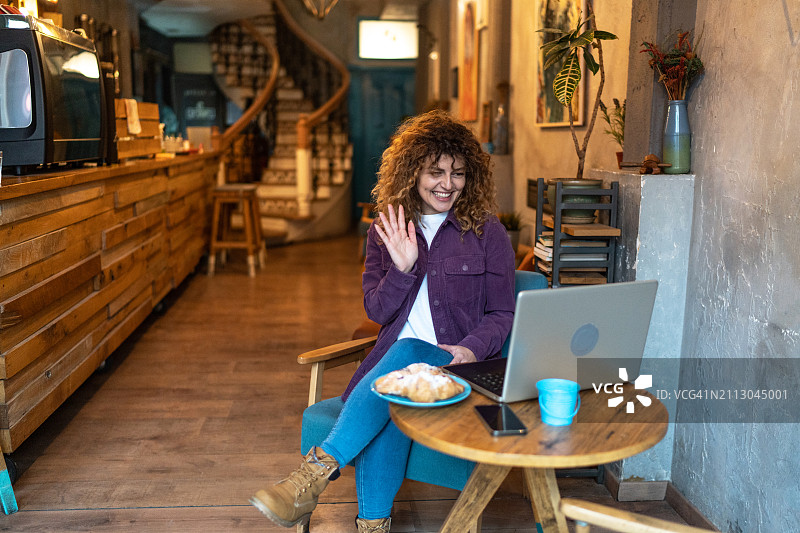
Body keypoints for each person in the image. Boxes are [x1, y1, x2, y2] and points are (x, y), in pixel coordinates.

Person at [250, 110, 516, 532]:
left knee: (406, 355)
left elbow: (503, 313)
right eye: (435, 172)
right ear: (412, 173)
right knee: (395, 390)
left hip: (456, 370)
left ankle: (313, 475)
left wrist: (469, 349)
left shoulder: (487, 233)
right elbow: (376, 311)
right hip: (393, 373)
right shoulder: (384, 231)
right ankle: (371, 526)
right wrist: (403, 268)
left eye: (458, 173)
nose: (448, 184)